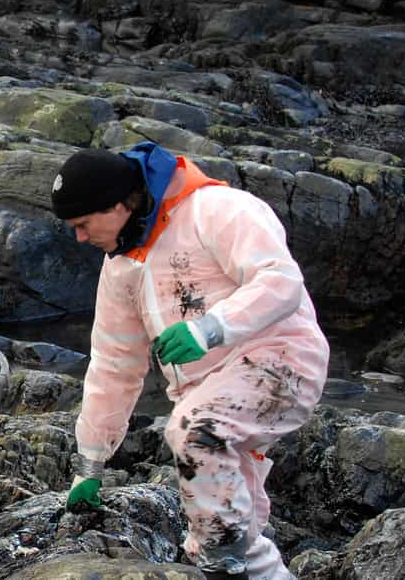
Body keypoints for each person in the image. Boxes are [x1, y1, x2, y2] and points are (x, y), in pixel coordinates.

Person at [55, 142, 328, 579]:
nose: (80, 238)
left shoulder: (219, 210)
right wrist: (90, 463)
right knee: (236, 530)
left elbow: (281, 280)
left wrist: (209, 329)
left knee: (195, 434)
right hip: (206, 393)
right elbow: (113, 365)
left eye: (83, 224)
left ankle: (224, 569)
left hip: (281, 362)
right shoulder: (122, 266)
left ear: (121, 204)